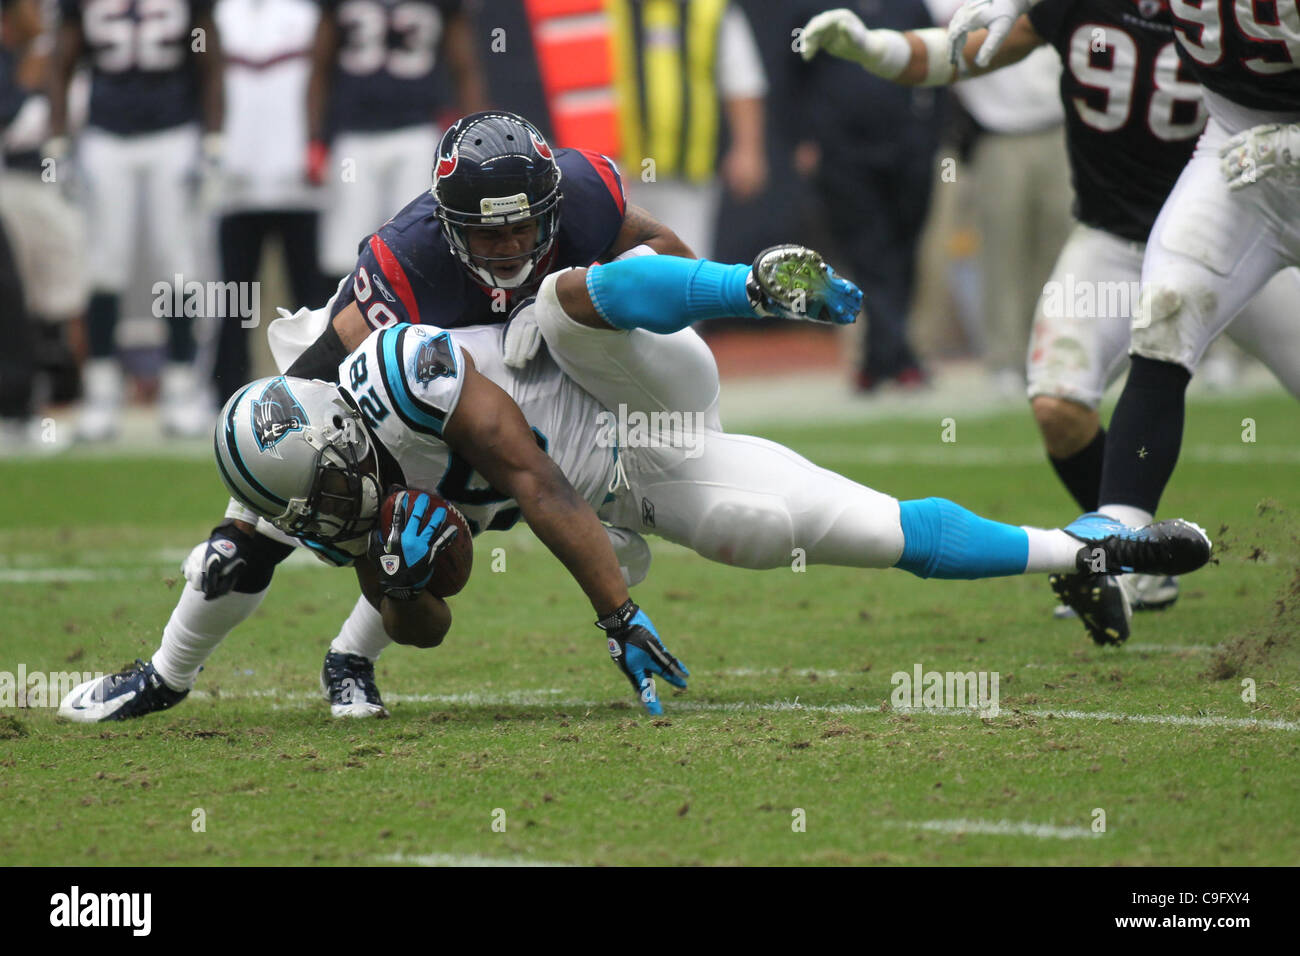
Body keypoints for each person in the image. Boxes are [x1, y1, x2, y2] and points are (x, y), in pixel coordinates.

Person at [59, 244, 1214, 723]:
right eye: (310, 513)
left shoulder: (402, 370)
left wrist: (618, 613)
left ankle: (756, 281)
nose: (333, 513)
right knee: (790, 525)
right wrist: (180, 667)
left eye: (334, 492)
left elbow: (528, 478)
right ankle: (1086, 550)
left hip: (604, 390)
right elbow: (424, 608)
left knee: (566, 294)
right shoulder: (295, 489)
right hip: (638, 481)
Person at [60, 110, 694, 721]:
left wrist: (575, 299)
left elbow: (672, 257)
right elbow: (312, 382)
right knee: (364, 520)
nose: (506, 247)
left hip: (538, 373)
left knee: (473, 501)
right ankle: (167, 673)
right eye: (486, 232)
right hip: (415, 386)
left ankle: (350, 657)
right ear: (448, 226)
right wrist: (244, 521)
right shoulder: (405, 266)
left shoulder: (582, 192)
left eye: (522, 226)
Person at [801, 3, 1300, 644]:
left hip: (1256, 187)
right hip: (1145, 227)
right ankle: (1123, 556)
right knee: (1074, 395)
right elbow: (966, 51)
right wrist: (875, 49)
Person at [48, 0, 225, 440]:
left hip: (174, 131)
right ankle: (102, 390)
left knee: (178, 263)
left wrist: (215, 136)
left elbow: (209, 58)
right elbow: (63, 60)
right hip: (106, 135)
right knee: (104, 265)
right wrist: (56, 138)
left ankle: (182, 387)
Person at [306, 0, 487, 287]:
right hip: (355, 136)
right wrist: (315, 139)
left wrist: (476, 140)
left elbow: (464, 67)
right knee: (345, 252)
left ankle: (417, 325)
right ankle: (342, 320)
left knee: (419, 246)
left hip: (416, 133)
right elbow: (320, 66)